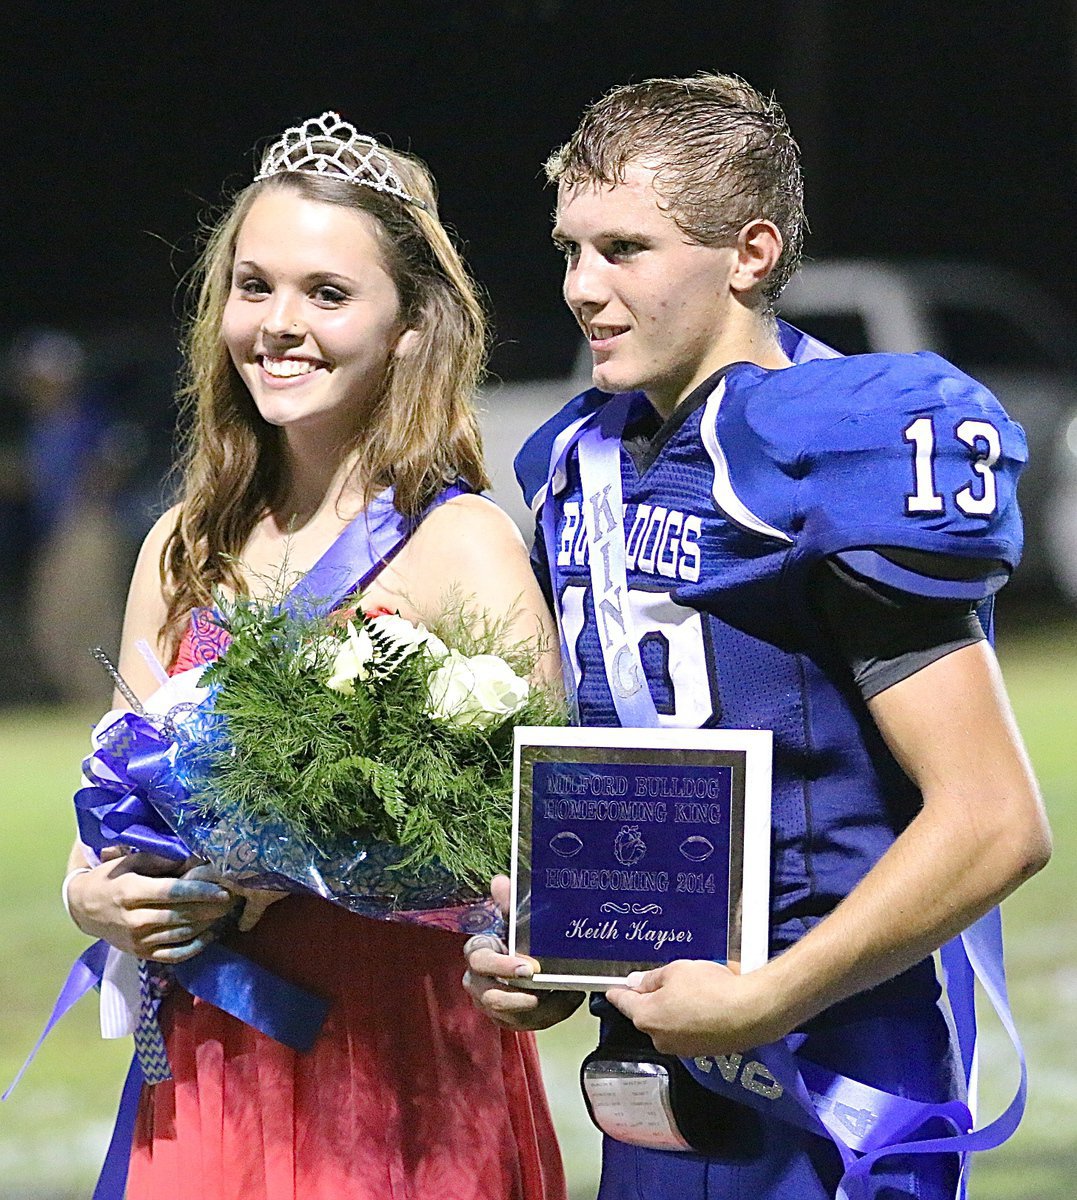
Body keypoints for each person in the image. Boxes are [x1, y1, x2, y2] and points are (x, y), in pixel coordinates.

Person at [464, 73, 1051, 1200]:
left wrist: (769, 995)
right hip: (649, 1065)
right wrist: (547, 950)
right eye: (570, 249)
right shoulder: (567, 463)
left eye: (625, 249)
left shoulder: (839, 446)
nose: (583, 288)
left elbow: (994, 820)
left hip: (832, 1052)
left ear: (749, 252)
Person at [62, 111, 566, 1200]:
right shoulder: (183, 542)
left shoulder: (459, 542)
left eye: (327, 294)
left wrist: (321, 857)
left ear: (412, 328)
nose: (280, 325)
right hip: (209, 1066)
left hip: (398, 1085)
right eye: (255, 287)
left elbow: (546, 849)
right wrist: (96, 901)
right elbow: (110, 808)